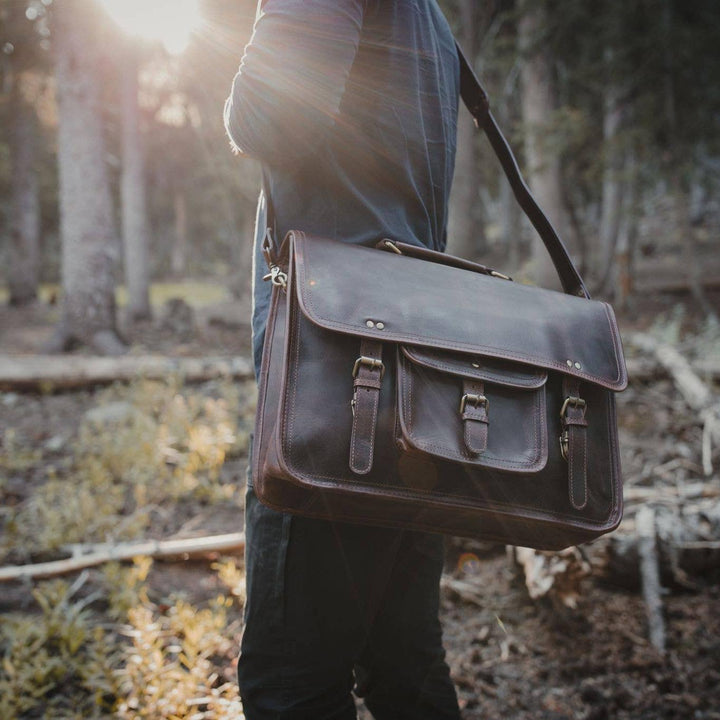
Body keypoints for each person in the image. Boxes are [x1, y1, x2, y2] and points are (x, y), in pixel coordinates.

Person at [224, 1, 462, 717]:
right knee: (404, 667)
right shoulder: (429, 16)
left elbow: (264, 119)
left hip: (334, 392)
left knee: (291, 683)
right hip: (414, 373)